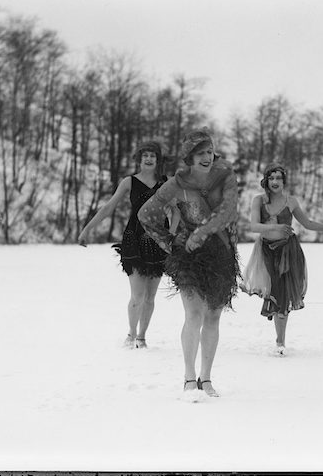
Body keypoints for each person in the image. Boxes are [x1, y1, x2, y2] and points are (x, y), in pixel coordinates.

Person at [138, 128, 239, 398]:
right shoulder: (177, 184)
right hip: (188, 256)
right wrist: (166, 242)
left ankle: (206, 378)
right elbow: (146, 213)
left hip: (221, 253)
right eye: (200, 153)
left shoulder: (226, 178)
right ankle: (188, 377)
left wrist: (208, 234)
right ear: (190, 157)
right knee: (194, 315)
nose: (207, 157)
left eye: (209, 151)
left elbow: (229, 211)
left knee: (214, 316)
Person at [241, 163, 323, 356]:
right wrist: (273, 228)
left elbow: (308, 224)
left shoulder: (290, 201)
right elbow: (253, 226)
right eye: (271, 178)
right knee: (274, 290)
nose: (275, 182)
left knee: (283, 293)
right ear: (266, 181)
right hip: (267, 251)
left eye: (279, 178)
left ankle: (280, 341)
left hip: (288, 251)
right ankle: (279, 339)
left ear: (284, 181)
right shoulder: (259, 201)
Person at [78, 141, 170, 349]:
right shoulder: (129, 182)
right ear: (139, 159)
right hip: (134, 240)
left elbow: (176, 209)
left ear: (157, 160)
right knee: (137, 295)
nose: (148, 159)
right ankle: (131, 333)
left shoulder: (166, 183)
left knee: (150, 296)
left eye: (152, 156)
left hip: (157, 240)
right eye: (145, 155)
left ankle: (142, 337)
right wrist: (87, 229)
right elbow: (108, 207)